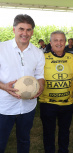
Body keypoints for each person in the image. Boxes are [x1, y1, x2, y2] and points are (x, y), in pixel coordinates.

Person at [0, 14, 45, 153]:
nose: (25, 33)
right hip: (4, 106)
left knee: (24, 140)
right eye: (21, 29)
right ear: (14, 30)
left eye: (28, 29)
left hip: (27, 107)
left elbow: (39, 76)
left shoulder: (38, 53)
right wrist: (3, 86)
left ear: (32, 31)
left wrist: (40, 87)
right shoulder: (2, 48)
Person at [39, 31, 73, 153]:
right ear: (50, 42)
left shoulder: (72, 57)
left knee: (64, 132)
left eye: (61, 40)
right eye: (55, 40)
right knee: (48, 132)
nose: (59, 43)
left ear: (65, 42)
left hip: (67, 104)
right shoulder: (42, 58)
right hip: (48, 103)